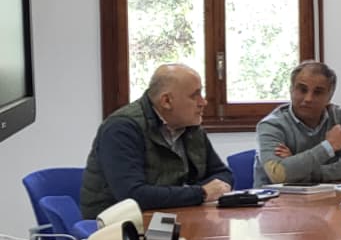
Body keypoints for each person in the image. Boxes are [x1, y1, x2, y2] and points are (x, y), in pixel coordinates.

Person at [81, 64, 232, 219]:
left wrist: (210, 190)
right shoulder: (121, 129)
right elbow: (133, 196)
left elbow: (222, 173)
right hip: (119, 225)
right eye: (195, 95)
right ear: (166, 101)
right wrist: (201, 193)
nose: (203, 102)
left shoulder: (191, 127)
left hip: (174, 217)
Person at [254, 61, 341, 186]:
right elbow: (279, 174)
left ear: (329, 97)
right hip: (277, 197)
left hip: (325, 195)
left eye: (318, 92)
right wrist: (328, 147)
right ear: (291, 90)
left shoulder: (340, 117)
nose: (308, 98)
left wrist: (298, 169)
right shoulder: (271, 125)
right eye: (302, 90)